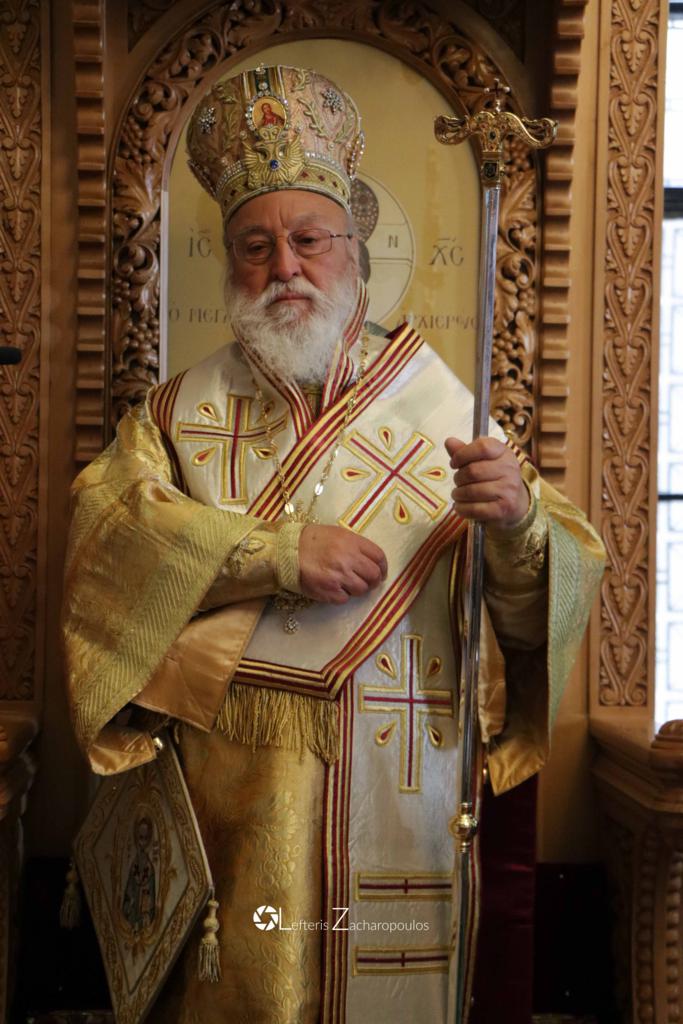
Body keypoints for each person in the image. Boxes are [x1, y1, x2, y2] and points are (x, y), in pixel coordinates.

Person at [62, 63, 605, 1023]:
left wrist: (517, 526)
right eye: (255, 246)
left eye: (308, 240)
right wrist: (273, 553)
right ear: (230, 264)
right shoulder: (174, 415)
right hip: (233, 801)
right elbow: (108, 546)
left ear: (353, 248)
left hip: (406, 784)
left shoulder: (441, 409)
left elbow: (531, 612)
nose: (285, 267)